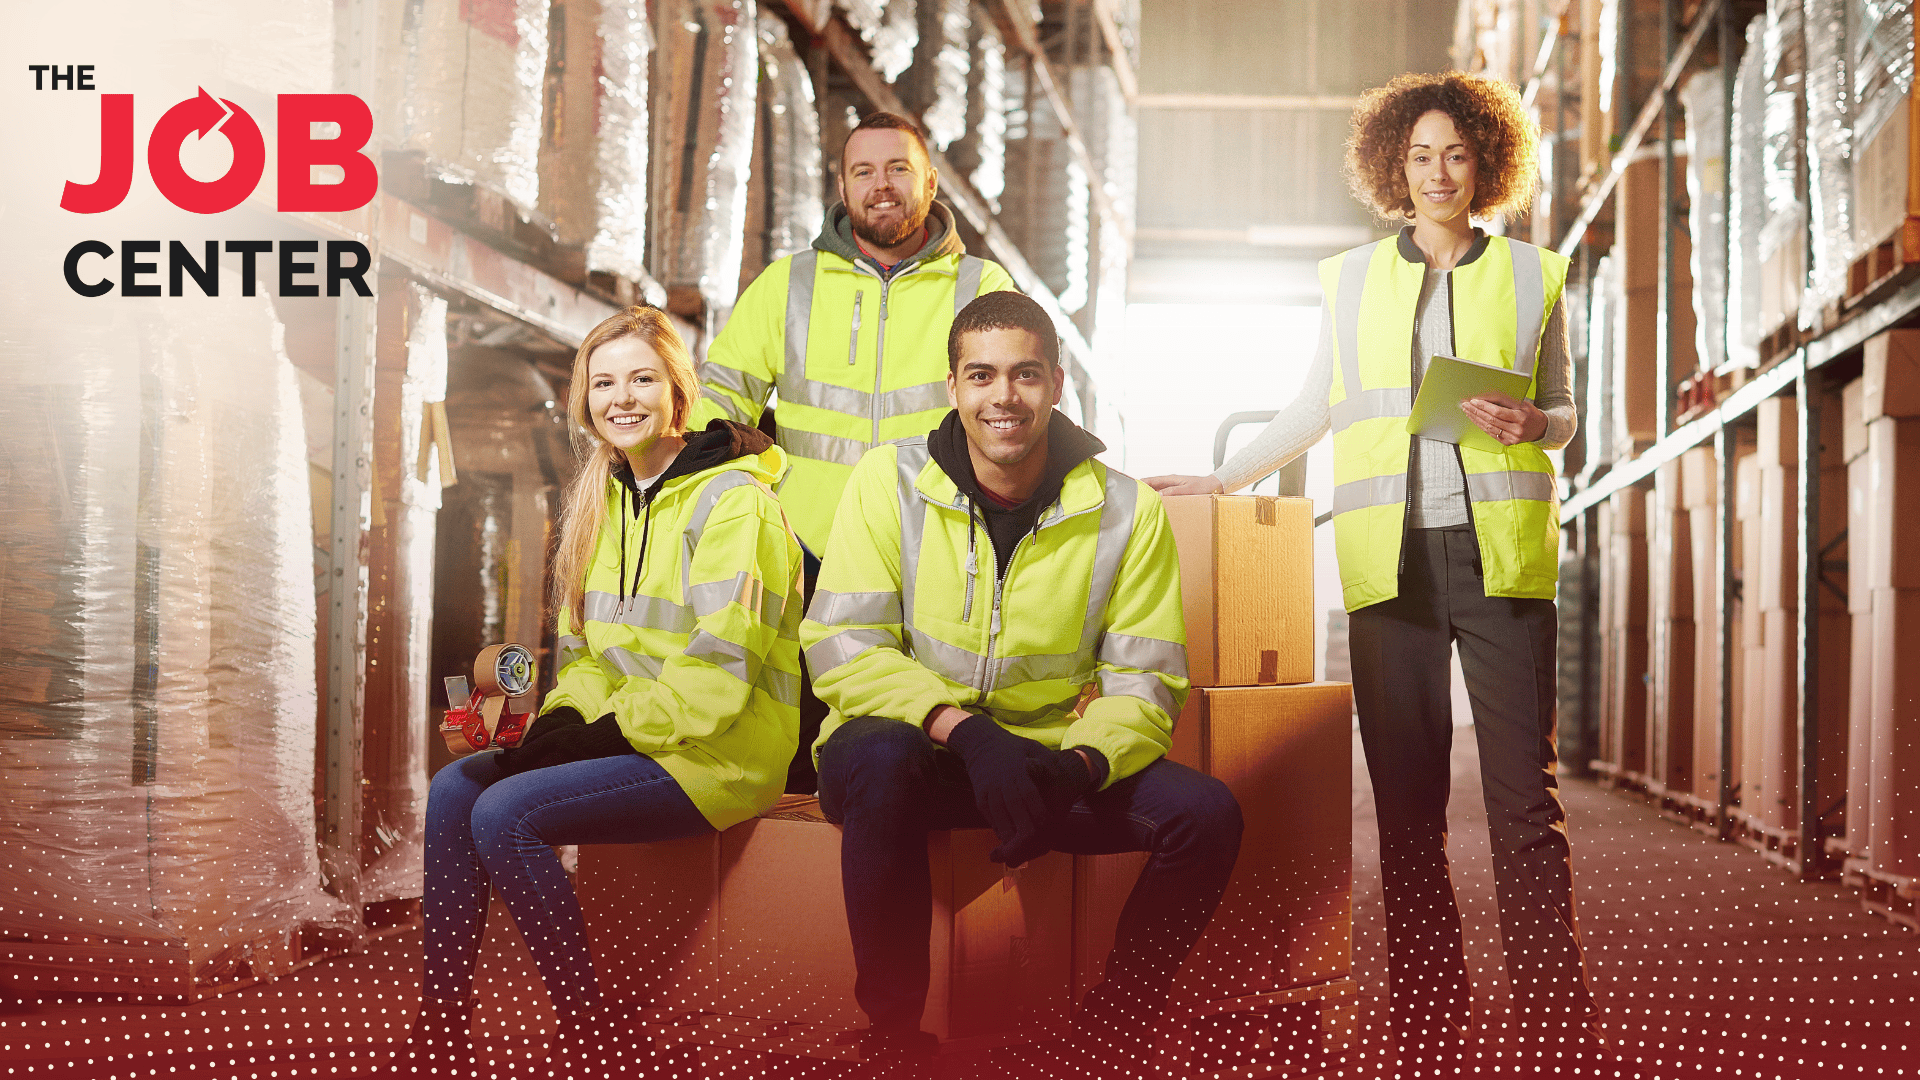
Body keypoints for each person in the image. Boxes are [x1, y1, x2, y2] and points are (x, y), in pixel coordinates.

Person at [1149, 71, 1603, 1074]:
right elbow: (1314, 405)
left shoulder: (1534, 275)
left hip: (1501, 565)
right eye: (1420, 155)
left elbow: (1567, 413)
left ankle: (1557, 1017)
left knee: (1524, 806)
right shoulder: (1353, 280)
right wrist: (1222, 474)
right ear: (1394, 166)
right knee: (1406, 807)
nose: (1439, 172)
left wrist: (1538, 423)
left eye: (1457, 154)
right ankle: (1431, 1009)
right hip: (1388, 563)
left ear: (1487, 162)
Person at [801, 290, 1243, 1078]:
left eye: (1024, 375)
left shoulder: (1124, 510)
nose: (1003, 397)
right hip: (918, 759)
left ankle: (1113, 1030)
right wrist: (962, 733)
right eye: (981, 376)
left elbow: (1146, 682)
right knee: (875, 755)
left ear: (1057, 385)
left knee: (1205, 814)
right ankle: (894, 1037)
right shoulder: (887, 481)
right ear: (953, 388)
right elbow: (842, 645)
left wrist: (1076, 767)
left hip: (1042, 768)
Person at [394, 307, 804, 1079]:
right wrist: (555, 725)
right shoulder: (603, 500)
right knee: (455, 787)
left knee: (507, 812)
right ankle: (441, 1024)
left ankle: (595, 1035)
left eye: (642, 379)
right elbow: (584, 658)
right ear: (584, 399)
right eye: (604, 382)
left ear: (678, 393)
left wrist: (592, 737)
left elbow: (715, 683)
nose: (623, 398)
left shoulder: (734, 505)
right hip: (634, 737)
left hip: (717, 753)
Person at [690, 111, 1016, 792]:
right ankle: (797, 880)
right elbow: (719, 393)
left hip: (930, 545)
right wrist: (735, 480)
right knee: (799, 732)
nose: (882, 184)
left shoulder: (979, 288)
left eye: (899, 168)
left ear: (929, 180)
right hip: (804, 548)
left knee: (907, 727)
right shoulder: (790, 285)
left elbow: (1011, 411)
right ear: (842, 185)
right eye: (864, 171)